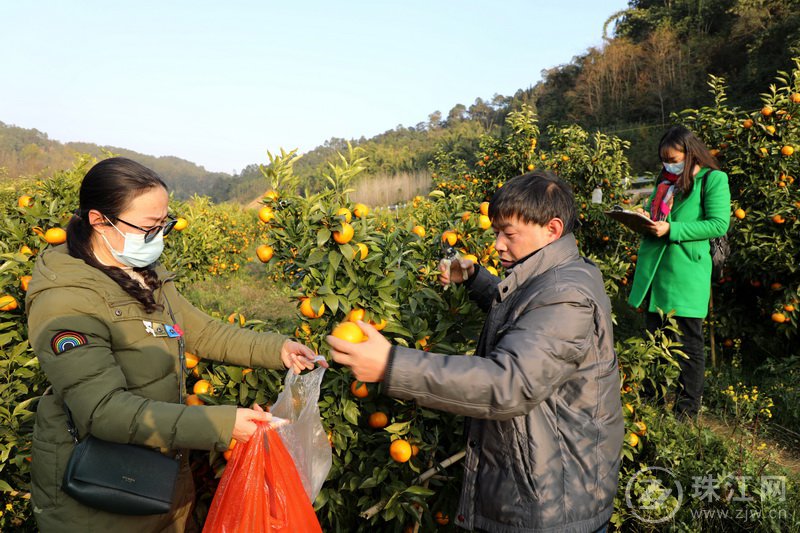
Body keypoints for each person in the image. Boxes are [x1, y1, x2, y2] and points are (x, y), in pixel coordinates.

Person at [25, 157, 326, 532]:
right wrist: (222, 424)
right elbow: (103, 411)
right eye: (148, 227)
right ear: (99, 220)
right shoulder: (64, 301)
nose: (158, 236)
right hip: (98, 496)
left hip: (159, 475)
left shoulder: (142, 275)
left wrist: (277, 348)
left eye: (163, 224)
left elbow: (202, 332)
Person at [328, 171, 623, 533]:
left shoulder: (566, 295)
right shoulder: (554, 275)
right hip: (544, 484)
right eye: (496, 232)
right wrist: (476, 281)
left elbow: (508, 383)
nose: (498, 244)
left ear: (552, 229)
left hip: (551, 506)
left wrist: (392, 366)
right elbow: (527, 318)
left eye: (509, 234)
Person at [628, 125, 731, 419]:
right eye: (665, 160)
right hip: (656, 270)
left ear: (690, 153)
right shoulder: (666, 182)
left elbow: (717, 224)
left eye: (673, 158)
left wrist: (672, 228)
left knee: (688, 343)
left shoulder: (713, 180)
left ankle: (686, 411)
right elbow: (658, 215)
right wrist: (644, 218)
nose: (668, 165)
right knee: (654, 340)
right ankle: (652, 404)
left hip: (686, 272)